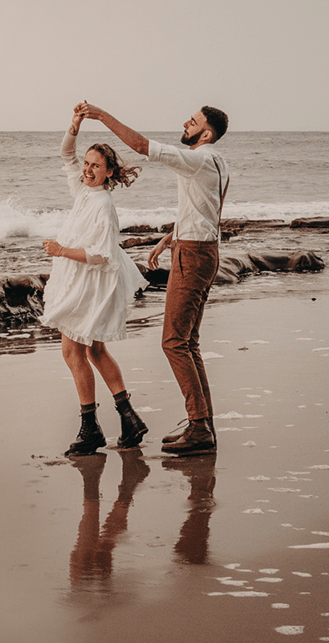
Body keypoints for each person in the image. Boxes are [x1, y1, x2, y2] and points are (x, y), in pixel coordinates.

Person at [80, 103, 230, 455]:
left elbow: (142, 146)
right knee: (188, 342)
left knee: (174, 342)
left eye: (192, 122)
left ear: (205, 133)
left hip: (193, 255)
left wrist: (102, 116)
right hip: (202, 248)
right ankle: (201, 423)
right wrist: (170, 237)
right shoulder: (218, 161)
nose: (185, 123)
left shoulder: (197, 158)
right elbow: (207, 208)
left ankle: (199, 428)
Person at [40, 104, 149, 456]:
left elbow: (100, 254)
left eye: (95, 166)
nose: (86, 169)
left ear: (109, 172)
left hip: (92, 283)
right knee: (95, 350)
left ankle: (91, 429)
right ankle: (128, 418)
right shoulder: (84, 190)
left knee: (74, 350)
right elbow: (65, 154)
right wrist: (74, 125)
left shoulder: (103, 205)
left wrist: (60, 250)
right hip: (86, 280)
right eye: (87, 164)